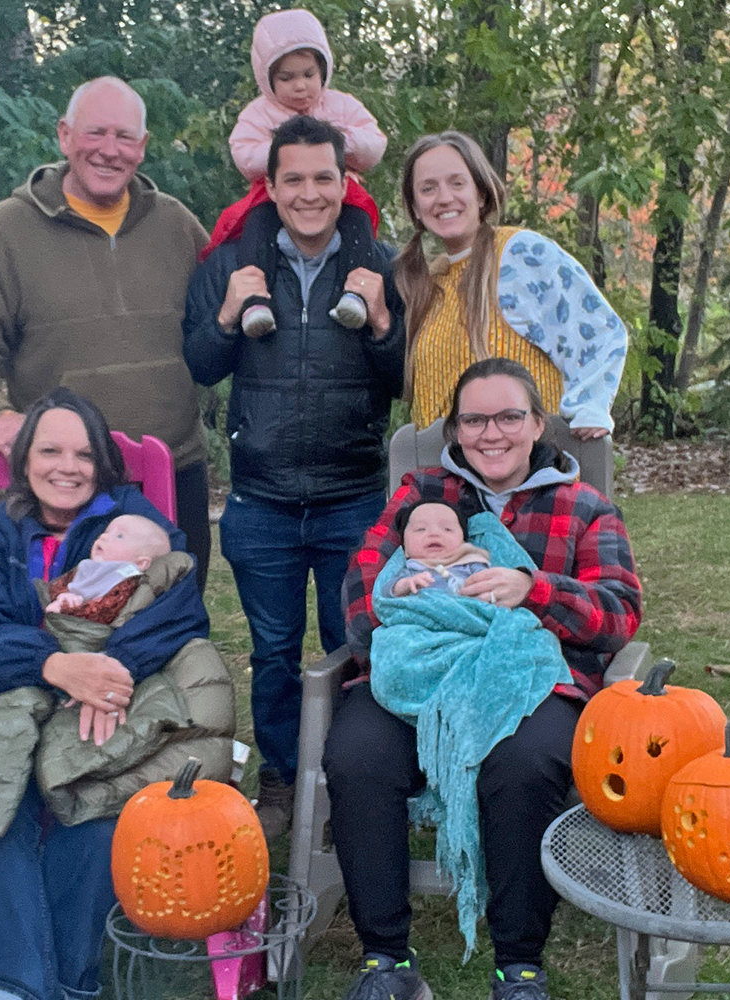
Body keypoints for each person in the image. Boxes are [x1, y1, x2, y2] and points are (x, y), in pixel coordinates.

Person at [330, 360, 642, 1000]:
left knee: (523, 766)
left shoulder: (584, 508)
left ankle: (519, 964)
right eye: (474, 419)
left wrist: (535, 589)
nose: (490, 433)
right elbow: (365, 574)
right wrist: (404, 623)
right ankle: (386, 960)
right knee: (358, 755)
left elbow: (619, 613)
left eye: (508, 416)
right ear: (455, 428)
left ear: (536, 425)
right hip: (416, 673)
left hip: (529, 683)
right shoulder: (422, 494)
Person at [0, 388, 220, 1000]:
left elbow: (178, 606)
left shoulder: (136, 526)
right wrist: (54, 665)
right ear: (24, 459)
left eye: (83, 453)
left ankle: (62, 983)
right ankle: (12, 987)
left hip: (106, 706)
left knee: (98, 797)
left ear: (103, 462)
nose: (67, 467)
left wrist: (104, 673)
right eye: (50, 450)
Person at [183, 114, 405, 839]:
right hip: (263, 501)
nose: (310, 193)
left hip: (353, 496)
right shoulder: (230, 265)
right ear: (270, 188)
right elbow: (201, 365)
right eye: (294, 180)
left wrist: (379, 325)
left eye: (323, 179)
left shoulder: (380, 267)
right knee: (274, 653)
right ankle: (280, 780)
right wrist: (223, 316)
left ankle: (351, 782)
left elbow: (404, 376)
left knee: (355, 646)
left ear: (345, 185)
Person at [0, 76, 214, 589]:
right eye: (95, 133)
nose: (110, 151)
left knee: (172, 634)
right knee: (70, 633)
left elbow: (223, 323)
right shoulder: (8, 230)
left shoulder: (175, 225)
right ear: (65, 136)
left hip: (172, 472)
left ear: (143, 147)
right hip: (63, 487)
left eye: (125, 137)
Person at [396, 131, 628, 440]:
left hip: (528, 476)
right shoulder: (429, 281)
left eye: (457, 183)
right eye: (428, 188)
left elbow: (599, 331)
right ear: (414, 207)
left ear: (481, 193)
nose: (444, 198)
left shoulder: (520, 254)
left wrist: (589, 407)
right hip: (444, 479)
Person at [207, 7, 388, 336]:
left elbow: (375, 144)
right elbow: (244, 154)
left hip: (341, 193)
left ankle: (356, 293)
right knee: (256, 227)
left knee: (360, 222)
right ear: (267, 79)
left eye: (308, 74)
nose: (300, 86)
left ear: (323, 70)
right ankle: (255, 301)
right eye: (286, 78)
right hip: (271, 195)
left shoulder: (340, 105)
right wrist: (286, 150)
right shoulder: (260, 112)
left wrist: (331, 143)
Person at [43, 514, 172, 616]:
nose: (103, 537)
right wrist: (63, 595)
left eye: (119, 536)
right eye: (107, 531)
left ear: (141, 563)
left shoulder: (129, 577)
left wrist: (76, 607)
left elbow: (114, 607)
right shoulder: (87, 566)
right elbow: (66, 585)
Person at [387, 500, 491, 596]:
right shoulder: (410, 568)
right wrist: (406, 584)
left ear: (463, 541)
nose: (434, 533)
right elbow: (386, 591)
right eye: (421, 529)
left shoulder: (471, 563)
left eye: (447, 529)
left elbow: (490, 583)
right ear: (405, 547)